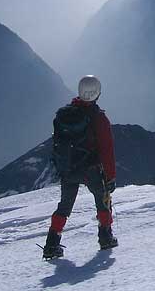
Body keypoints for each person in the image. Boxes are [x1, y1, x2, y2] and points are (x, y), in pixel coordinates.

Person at [42, 75, 118, 259]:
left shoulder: (65, 115)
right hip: (90, 169)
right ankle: (105, 237)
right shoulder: (99, 119)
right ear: (97, 93)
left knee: (64, 206)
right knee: (103, 200)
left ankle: (52, 244)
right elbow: (106, 150)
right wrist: (110, 176)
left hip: (68, 168)